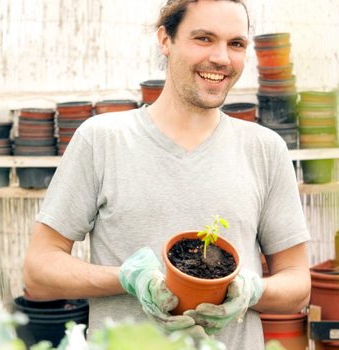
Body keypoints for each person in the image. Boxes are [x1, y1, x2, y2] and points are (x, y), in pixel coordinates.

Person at [23, 0, 311, 349]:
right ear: (165, 40)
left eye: (236, 43)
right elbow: (39, 272)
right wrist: (128, 280)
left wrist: (250, 290)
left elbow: (298, 285)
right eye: (203, 38)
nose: (221, 57)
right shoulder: (102, 140)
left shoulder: (265, 149)